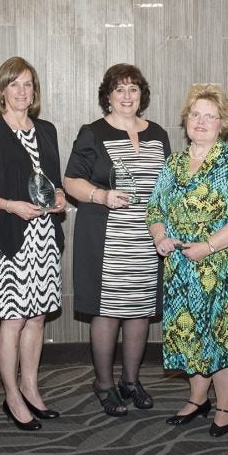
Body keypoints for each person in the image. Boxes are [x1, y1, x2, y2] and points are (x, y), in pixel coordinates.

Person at [146, 83, 228, 437]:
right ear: (186, 120)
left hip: (225, 266)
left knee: (225, 335)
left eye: (209, 116)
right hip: (182, 268)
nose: (201, 121)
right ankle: (198, 398)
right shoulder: (174, 162)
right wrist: (160, 237)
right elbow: (155, 207)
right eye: (195, 114)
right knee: (190, 332)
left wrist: (207, 247)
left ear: (222, 123)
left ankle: (224, 405)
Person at [63, 64, 171, 416]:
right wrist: (101, 195)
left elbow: (168, 184)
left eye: (134, 89)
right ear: (107, 96)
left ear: (143, 95)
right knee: (107, 312)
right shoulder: (93, 133)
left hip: (147, 238)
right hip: (108, 237)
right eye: (120, 89)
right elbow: (70, 180)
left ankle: (131, 380)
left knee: (140, 312)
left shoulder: (158, 133)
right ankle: (104, 384)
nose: (127, 96)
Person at [0, 57, 67, 431]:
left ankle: (31, 387)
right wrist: (11, 206)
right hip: (9, 238)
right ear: (2, 91)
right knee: (13, 320)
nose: (22, 91)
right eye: (15, 85)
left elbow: (54, 181)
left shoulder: (46, 130)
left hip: (44, 237)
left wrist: (58, 198)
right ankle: (11, 396)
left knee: (38, 317)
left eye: (28, 84)